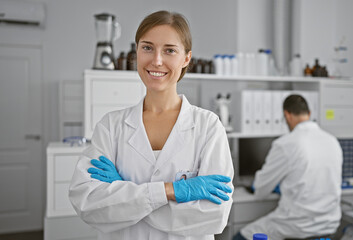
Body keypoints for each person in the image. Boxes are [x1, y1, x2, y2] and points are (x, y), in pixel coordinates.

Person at [69, 10, 234, 240]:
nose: (157, 60)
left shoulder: (208, 127)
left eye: (169, 50)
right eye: (147, 47)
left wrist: (126, 196)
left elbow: (214, 216)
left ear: (186, 58)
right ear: (136, 52)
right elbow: (88, 203)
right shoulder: (111, 126)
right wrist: (172, 191)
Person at [234, 95, 342, 240]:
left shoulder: (286, 143)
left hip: (297, 227)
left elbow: (260, 190)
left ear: (287, 115)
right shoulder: (332, 141)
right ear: (309, 114)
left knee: (240, 237)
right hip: (330, 225)